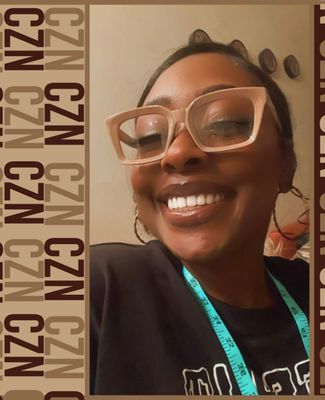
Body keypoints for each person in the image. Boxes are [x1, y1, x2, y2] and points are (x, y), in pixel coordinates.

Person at [90, 41, 309, 396]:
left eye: (223, 123)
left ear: (286, 164)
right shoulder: (99, 289)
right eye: (150, 137)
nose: (176, 152)